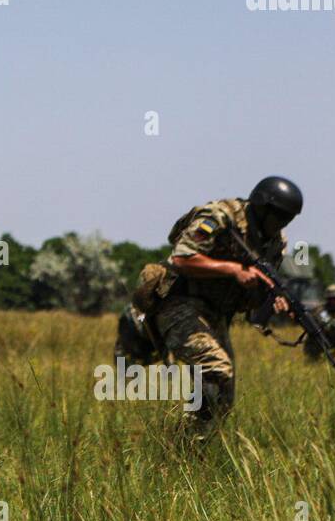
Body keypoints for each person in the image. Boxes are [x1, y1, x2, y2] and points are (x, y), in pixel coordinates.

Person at [122, 176, 302, 433]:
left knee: (223, 396)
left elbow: (257, 294)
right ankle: (180, 441)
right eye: (280, 216)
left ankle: (187, 449)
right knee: (216, 369)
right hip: (180, 301)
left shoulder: (275, 243)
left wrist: (273, 300)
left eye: (289, 218)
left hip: (217, 314)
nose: (284, 223)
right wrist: (231, 269)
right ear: (263, 208)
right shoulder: (220, 217)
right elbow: (182, 259)